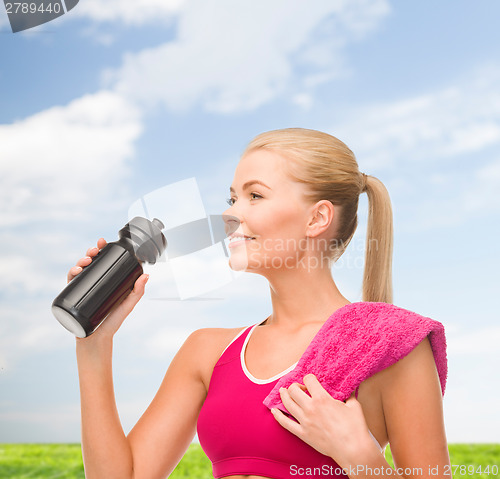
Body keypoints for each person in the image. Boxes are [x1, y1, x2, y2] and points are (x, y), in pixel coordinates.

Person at [69, 128, 451, 479]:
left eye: (255, 196)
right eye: (232, 198)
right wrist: (93, 345)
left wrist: (361, 458)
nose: (231, 214)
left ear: (317, 217)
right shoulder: (205, 352)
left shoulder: (390, 345)